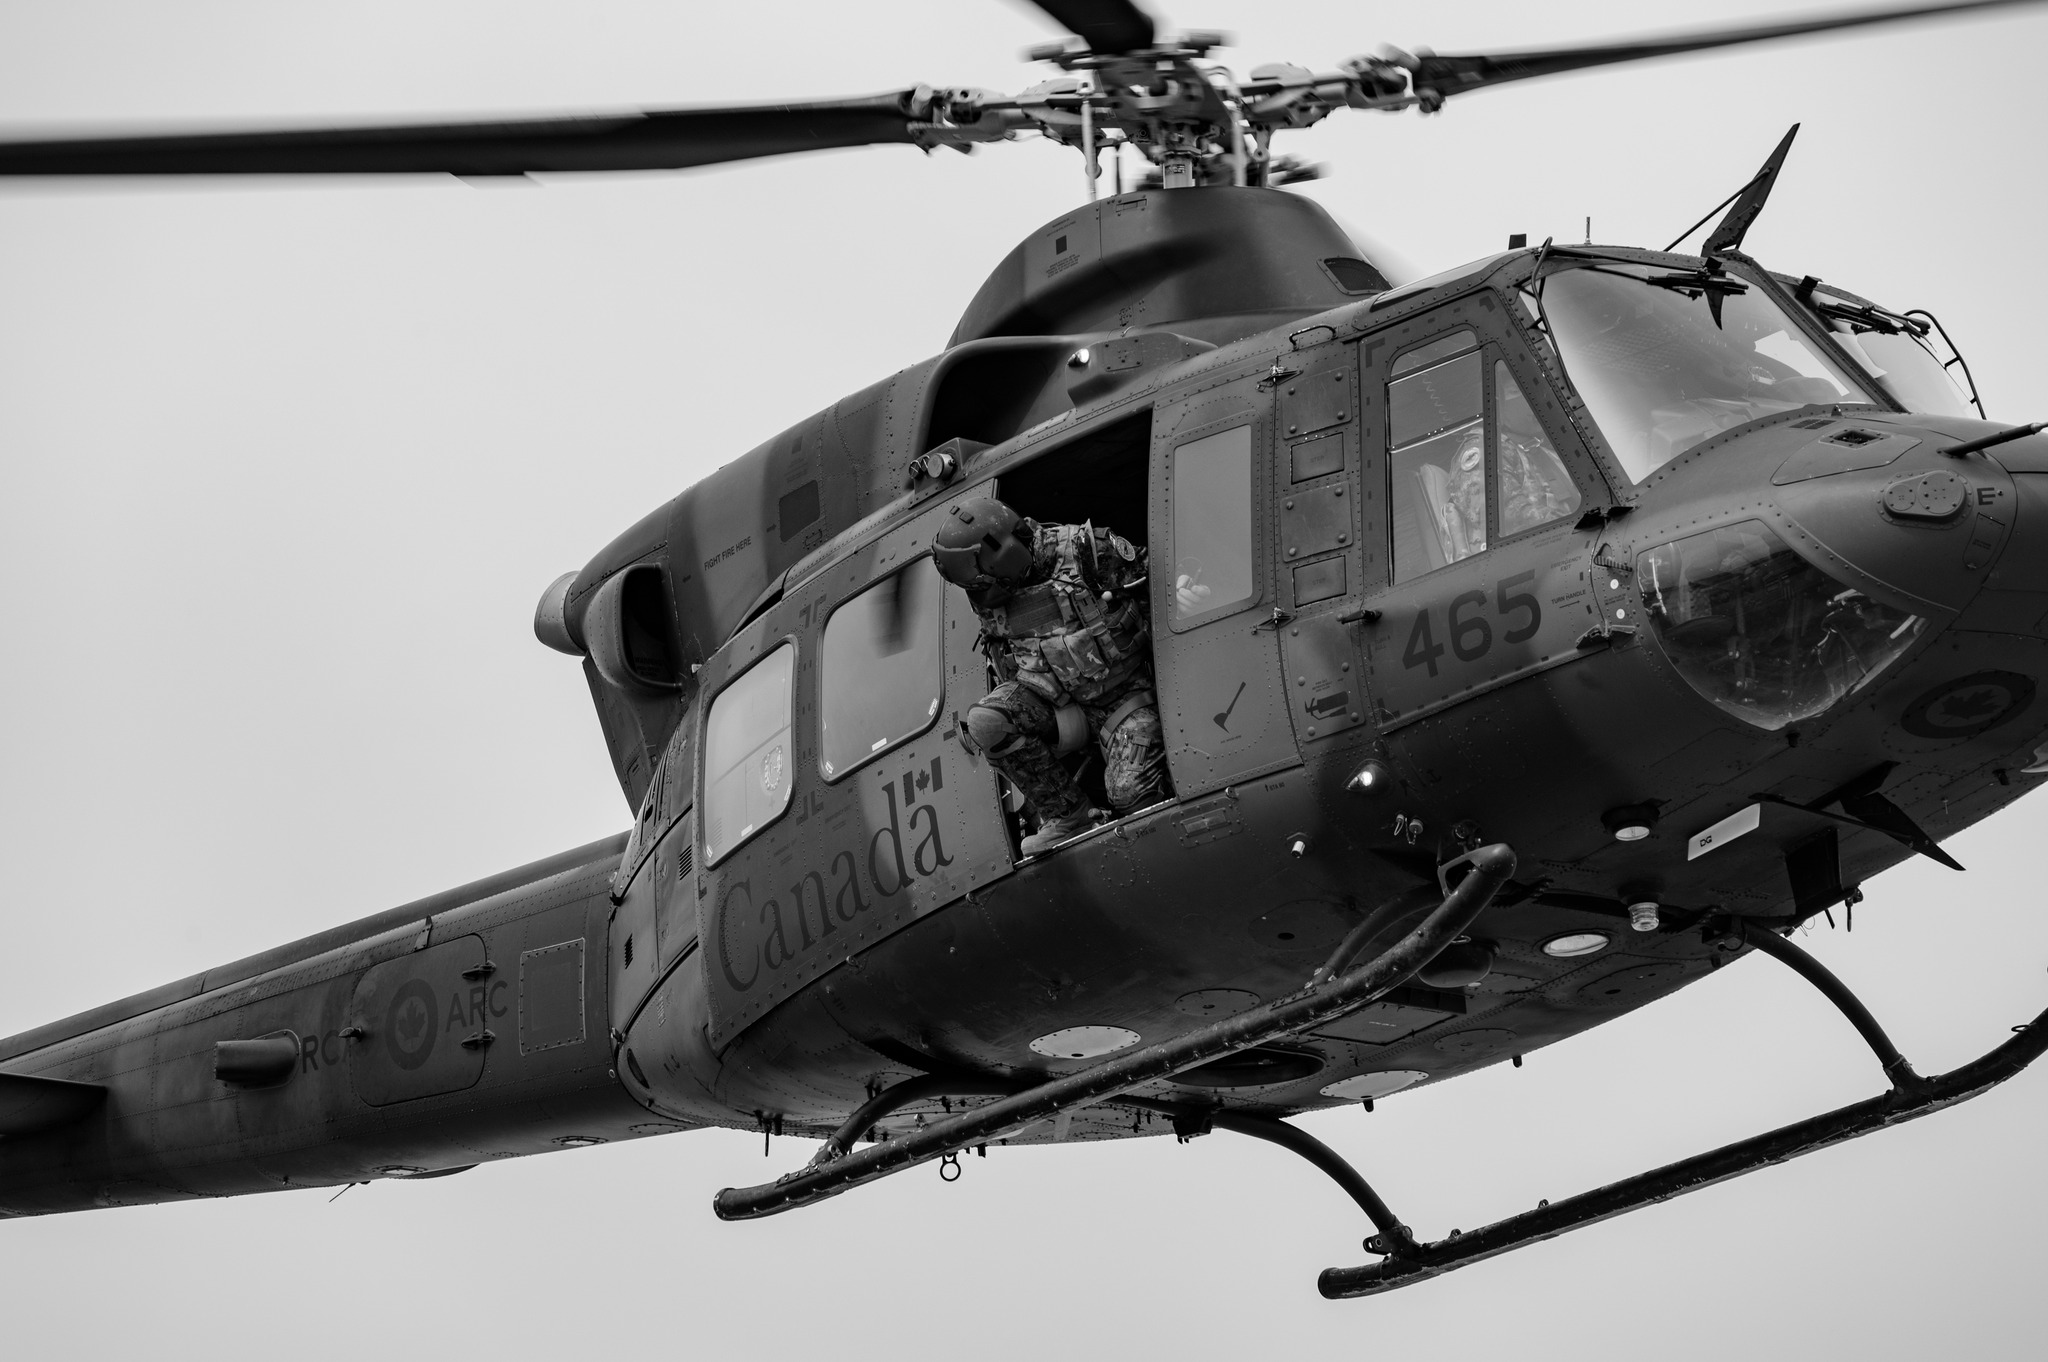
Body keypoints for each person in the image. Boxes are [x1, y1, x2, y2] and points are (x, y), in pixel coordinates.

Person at [932, 497, 1194, 856]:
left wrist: (1182, 593)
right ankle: (1070, 815)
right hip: (1062, 709)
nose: (978, 594)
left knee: (1130, 794)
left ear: (1006, 556)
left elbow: (1158, 578)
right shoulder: (987, 591)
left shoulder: (1088, 552)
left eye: (982, 584)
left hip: (1126, 698)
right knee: (987, 722)